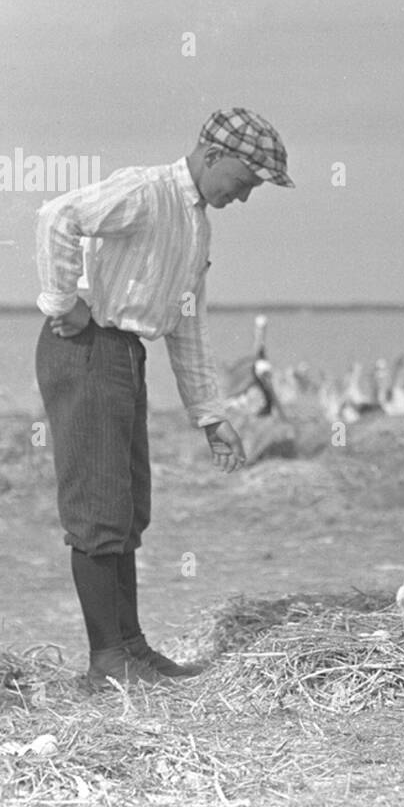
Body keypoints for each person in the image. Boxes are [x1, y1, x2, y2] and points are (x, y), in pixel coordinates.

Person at [34, 108, 293, 688]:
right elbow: (57, 216)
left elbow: (188, 324)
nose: (245, 198)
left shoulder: (198, 225)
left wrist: (210, 414)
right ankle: (106, 662)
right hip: (87, 348)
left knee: (127, 509)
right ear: (212, 155)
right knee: (98, 509)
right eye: (246, 182)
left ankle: (131, 646)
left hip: (126, 355)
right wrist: (62, 302)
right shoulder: (147, 191)